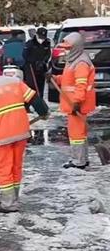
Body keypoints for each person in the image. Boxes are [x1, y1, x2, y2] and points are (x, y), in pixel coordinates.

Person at [0, 58, 49, 213]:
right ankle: (13, 197)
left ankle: (8, 203)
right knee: (15, 165)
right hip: (21, 132)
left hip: (1, 137)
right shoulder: (14, 82)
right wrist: (44, 112)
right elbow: (34, 99)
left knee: (3, 168)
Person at [51, 32, 95, 169]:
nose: (65, 50)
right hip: (74, 104)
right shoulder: (74, 60)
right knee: (80, 134)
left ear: (76, 47)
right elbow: (68, 80)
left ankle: (79, 162)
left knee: (77, 135)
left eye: (68, 48)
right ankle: (82, 159)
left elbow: (80, 85)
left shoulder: (81, 63)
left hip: (77, 105)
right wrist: (55, 78)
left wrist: (77, 102)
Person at [23, 27, 51, 96]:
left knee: (41, 86)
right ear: (37, 35)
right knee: (32, 87)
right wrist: (34, 61)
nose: (42, 39)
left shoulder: (47, 43)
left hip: (42, 68)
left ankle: (40, 99)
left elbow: (48, 53)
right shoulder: (30, 43)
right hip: (31, 68)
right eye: (41, 36)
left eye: (43, 37)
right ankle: (32, 101)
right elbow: (25, 55)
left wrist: (44, 61)